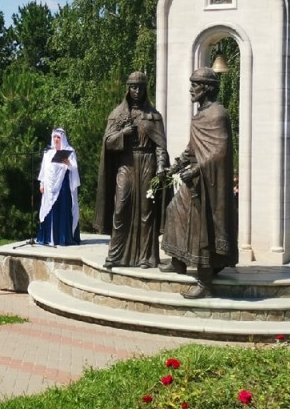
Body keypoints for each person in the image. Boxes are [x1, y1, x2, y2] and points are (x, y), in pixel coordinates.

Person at [161, 68, 238, 298]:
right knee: (175, 210)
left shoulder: (217, 114)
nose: (191, 89)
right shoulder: (201, 115)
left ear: (206, 87)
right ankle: (178, 261)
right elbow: (193, 147)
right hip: (196, 180)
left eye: (195, 85)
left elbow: (219, 152)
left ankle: (205, 283)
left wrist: (195, 168)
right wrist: (174, 167)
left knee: (203, 229)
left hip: (209, 185)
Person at [94, 71, 169, 268]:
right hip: (126, 163)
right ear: (128, 89)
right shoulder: (118, 114)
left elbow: (161, 145)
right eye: (133, 87)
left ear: (146, 90)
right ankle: (116, 255)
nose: (136, 91)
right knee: (121, 207)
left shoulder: (154, 116)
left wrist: (161, 165)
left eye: (140, 88)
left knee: (147, 211)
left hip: (147, 162)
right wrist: (123, 133)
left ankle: (146, 257)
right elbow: (108, 142)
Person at [36, 128, 81, 246]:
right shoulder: (48, 152)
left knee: (63, 209)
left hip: (63, 185)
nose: (56, 140)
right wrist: (42, 183)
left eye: (58, 137)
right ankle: (48, 238)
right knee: (50, 209)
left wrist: (68, 164)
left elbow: (74, 169)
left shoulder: (69, 150)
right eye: (54, 137)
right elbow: (44, 170)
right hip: (49, 187)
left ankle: (62, 238)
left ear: (62, 139)